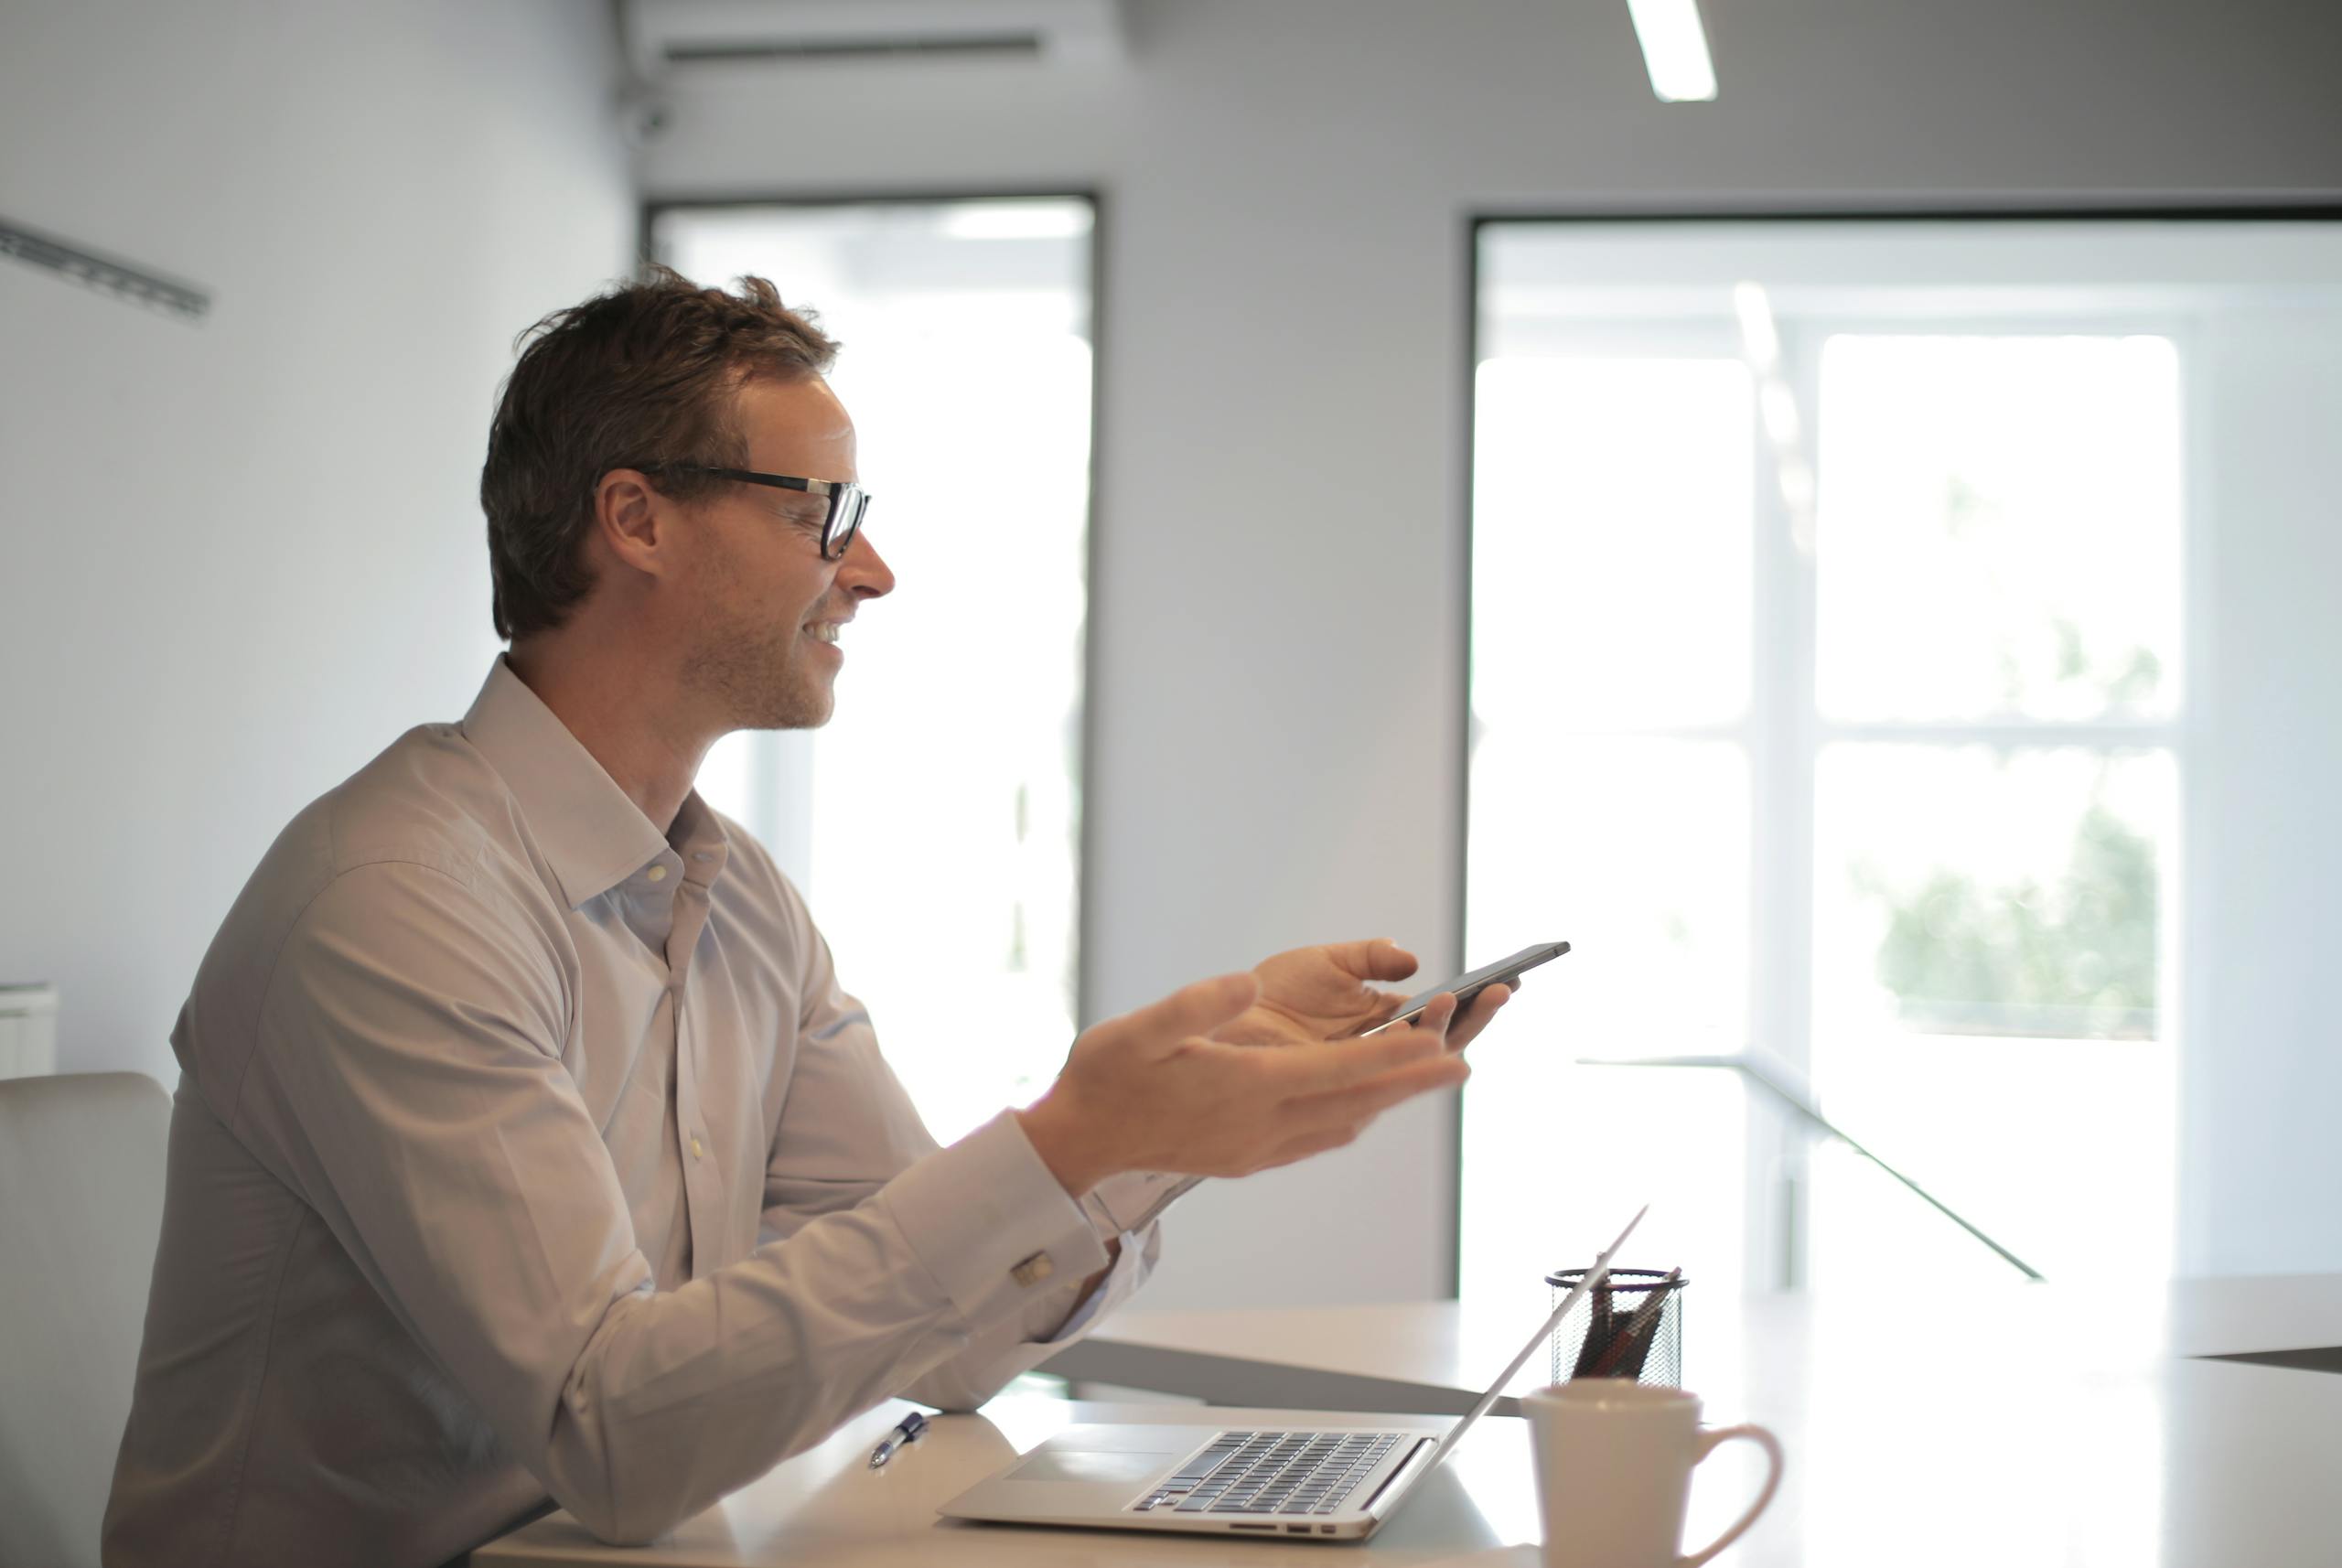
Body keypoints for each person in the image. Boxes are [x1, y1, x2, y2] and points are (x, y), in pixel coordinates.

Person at [101, 269, 1511, 1567]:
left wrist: (1150, 1132)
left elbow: (948, 1342)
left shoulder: (738, 903)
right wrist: (1073, 1136)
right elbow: (615, 1433)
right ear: (636, 517)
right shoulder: (396, 906)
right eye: (818, 512)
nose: (871, 569)